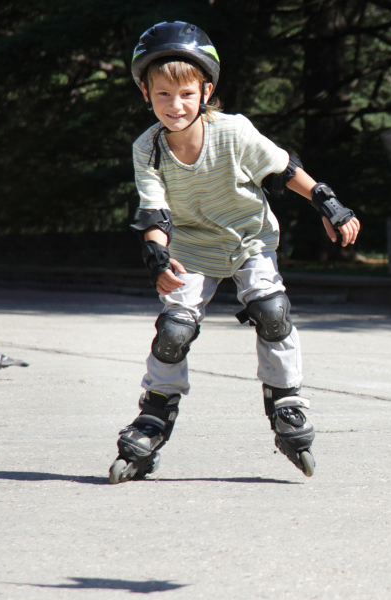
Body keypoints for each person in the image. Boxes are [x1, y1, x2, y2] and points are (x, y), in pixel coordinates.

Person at [109, 21, 360, 484]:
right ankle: (154, 415)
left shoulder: (233, 132)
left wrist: (328, 203)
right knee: (174, 330)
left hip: (248, 239)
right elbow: (154, 214)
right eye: (162, 95)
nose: (174, 105)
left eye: (185, 94)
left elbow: (285, 170)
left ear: (205, 91)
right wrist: (158, 258)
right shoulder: (148, 149)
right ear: (146, 93)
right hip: (190, 248)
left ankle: (286, 401)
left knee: (271, 309)